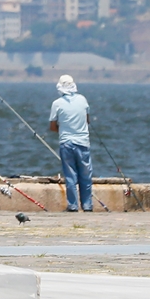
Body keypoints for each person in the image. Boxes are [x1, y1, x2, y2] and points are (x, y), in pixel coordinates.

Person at [49, 74, 92, 212]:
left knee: (70, 176)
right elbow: (87, 120)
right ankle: (87, 205)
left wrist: (64, 130)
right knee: (86, 176)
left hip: (67, 144)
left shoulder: (57, 103)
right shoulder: (83, 99)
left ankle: (73, 206)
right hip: (83, 143)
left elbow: (53, 127)